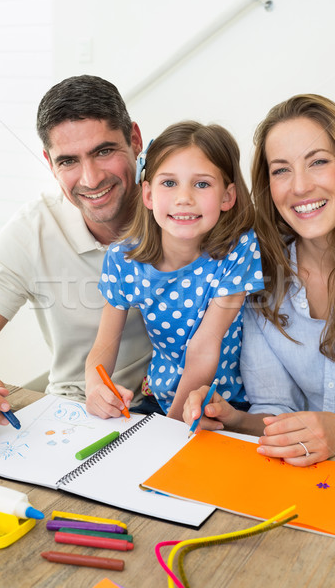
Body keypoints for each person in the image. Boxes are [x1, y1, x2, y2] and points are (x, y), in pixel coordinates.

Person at [183, 94, 335, 466]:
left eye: (317, 162)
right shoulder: (261, 275)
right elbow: (277, 409)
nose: (299, 187)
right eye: (281, 170)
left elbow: (330, 433)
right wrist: (232, 419)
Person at [0, 75, 152, 437]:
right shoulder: (32, 230)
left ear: (134, 140)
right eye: (68, 161)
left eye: (103, 151)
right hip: (75, 415)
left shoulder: (183, 206)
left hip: (177, 413)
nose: (91, 178)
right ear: (50, 163)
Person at [85, 121, 264, 421]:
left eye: (202, 184)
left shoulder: (238, 248)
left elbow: (205, 346)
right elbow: (104, 344)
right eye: (169, 183)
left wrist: (172, 428)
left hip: (225, 404)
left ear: (227, 197)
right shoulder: (123, 259)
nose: (184, 198)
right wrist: (94, 386)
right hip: (159, 398)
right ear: (148, 194)